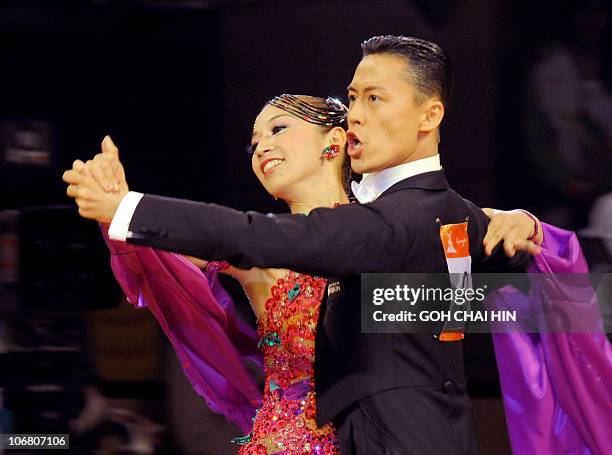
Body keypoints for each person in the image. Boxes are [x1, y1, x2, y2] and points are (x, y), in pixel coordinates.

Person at [64, 38, 548, 454]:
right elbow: (184, 252)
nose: (262, 149)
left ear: (334, 142)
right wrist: (118, 216)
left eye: (277, 130)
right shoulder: (282, 248)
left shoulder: (389, 224)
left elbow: (502, 297)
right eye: (253, 143)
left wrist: (522, 223)